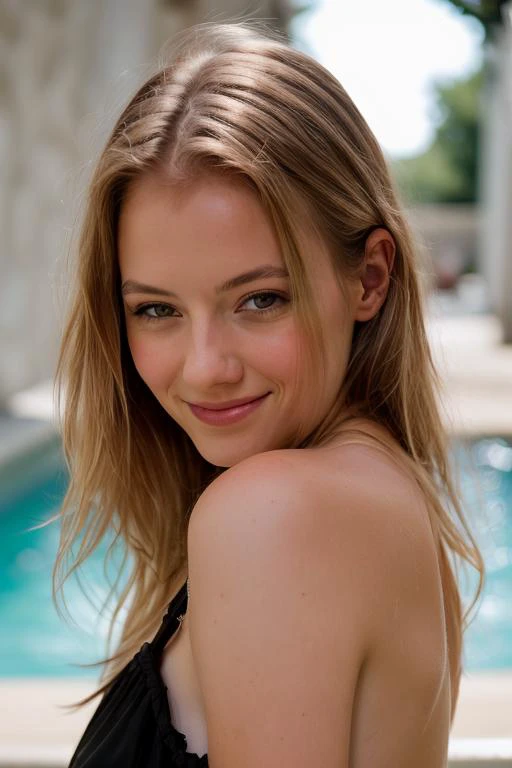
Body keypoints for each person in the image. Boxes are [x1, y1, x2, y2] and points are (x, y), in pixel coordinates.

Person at [55, 22, 483, 768]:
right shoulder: (381, 491)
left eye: (259, 300)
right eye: (156, 310)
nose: (204, 367)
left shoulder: (276, 514)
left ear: (369, 278)